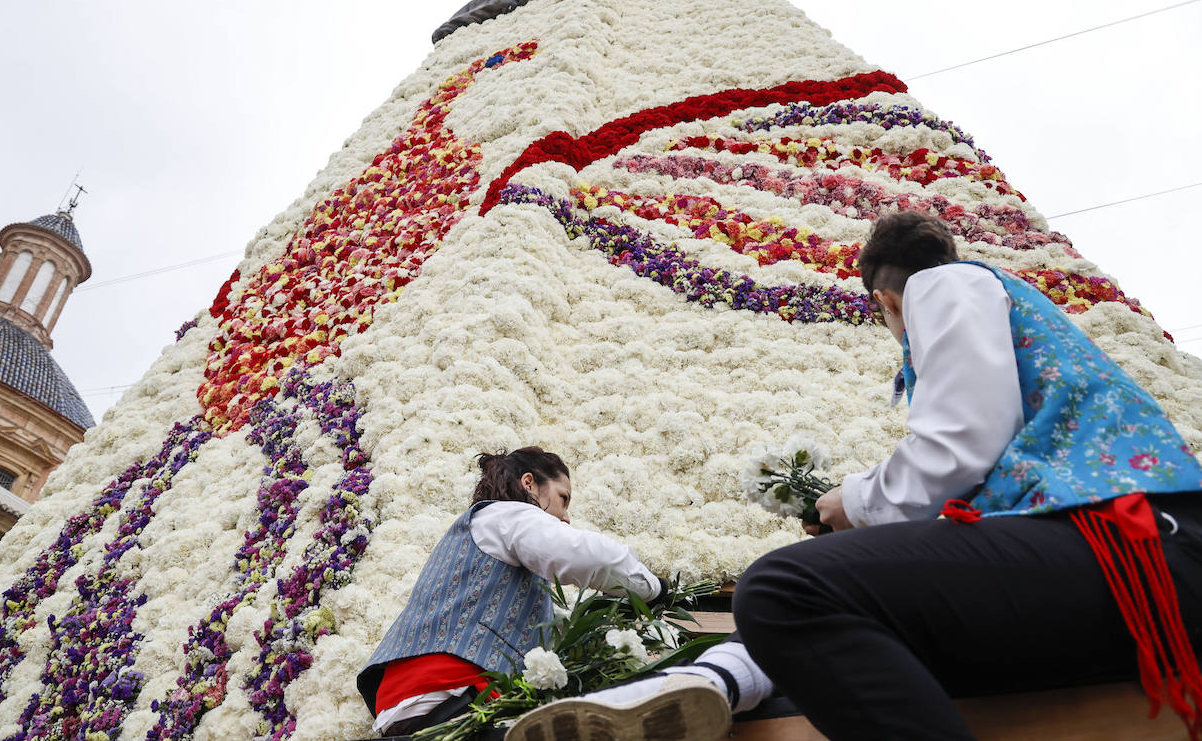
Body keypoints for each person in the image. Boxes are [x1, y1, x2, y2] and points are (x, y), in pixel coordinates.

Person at [509, 209, 1202, 741]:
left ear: (885, 301)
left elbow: (964, 438)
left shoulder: (942, 285)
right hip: (1124, 554)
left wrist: (856, 501)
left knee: (781, 589)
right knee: (877, 640)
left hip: (1129, 542)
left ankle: (719, 676)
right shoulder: (1003, 302)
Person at [357, 446, 751, 739]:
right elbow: (588, 557)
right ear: (530, 483)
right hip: (450, 695)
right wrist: (652, 589)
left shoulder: (478, 543)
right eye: (562, 498)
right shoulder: (504, 515)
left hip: (410, 712)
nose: (565, 515)